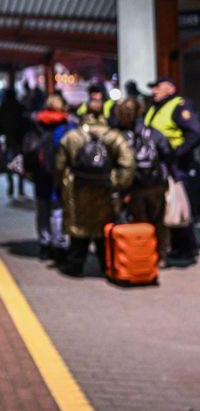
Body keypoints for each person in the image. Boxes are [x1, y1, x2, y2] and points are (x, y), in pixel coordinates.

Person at [55, 96, 134, 276]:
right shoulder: (114, 136)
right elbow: (128, 165)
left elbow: (59, 166)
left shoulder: (71, 137)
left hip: (77, 190)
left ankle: (75, 266)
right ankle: (106, 266)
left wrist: (62, 184)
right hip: (105, 192)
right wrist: (117, 183)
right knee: (103, 228)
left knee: (78, 229)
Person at [144, 75, 200, 264]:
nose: (154, 91)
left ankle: (187, 248)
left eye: (158, 87)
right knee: (169, 205)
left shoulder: (178, 106)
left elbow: (195, 133)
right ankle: (177, 246)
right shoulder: (155, 107)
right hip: (162, 163)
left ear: (170, 88)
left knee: (180, 205)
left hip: (177, 165)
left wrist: (178, 153)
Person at [115, 97, 173, 263]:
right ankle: (160, 256)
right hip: (156, 184)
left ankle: (142, 257)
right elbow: (167, 152)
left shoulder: (119, 135)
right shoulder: (152, 132)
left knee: (140, 224)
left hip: (134, 187)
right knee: (158, 222)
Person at [22, 93, 75, 261]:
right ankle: (59, 244)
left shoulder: (36, 122)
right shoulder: (67, 124)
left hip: (40, 173)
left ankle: (44, 244)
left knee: (42, 208)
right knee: (58, 210)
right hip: (60, 173)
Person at [0, 88, 27, 197]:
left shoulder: (2, 108)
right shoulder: (20, 107)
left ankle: (11, 186)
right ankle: (21, 188)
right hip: (18, 140)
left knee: (8, 163)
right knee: (19, 164)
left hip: (8, 140)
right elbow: (25, 124)